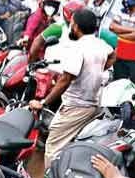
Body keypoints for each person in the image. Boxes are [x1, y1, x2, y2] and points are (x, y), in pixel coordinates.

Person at [30, 9, 114, 165]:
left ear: (75, 26)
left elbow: (65, 79)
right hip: (95, 105)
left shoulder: (78, 48)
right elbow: (113, 54)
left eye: (72, 24)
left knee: (52, 147)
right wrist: (97, 70)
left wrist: (43, 103)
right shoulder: (101, 44)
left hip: (76, 107)